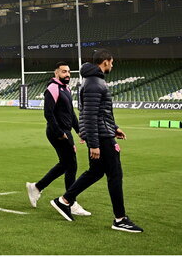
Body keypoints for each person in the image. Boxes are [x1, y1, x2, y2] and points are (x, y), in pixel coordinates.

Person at [50, 51, 143, 233]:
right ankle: (120, 219)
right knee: (115, 174)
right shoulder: (94, 82)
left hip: (103, 132)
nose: (112, 66)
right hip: (101, 137)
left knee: (96, 172)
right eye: (111, 62)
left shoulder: (92, 81)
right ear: (105, 62)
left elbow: (100, 112)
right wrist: (94, 144)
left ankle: (64, 201)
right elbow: (90, 115)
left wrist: (114, 127)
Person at [26, 62, 91, 215]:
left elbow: (71, 114)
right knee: (71, 165)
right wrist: (60, 132)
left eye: (68, 71)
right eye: (63, 72)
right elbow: (48, 113)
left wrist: (80, 131)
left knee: (66, 164)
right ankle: (71, 202)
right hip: (58, 132)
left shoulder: (66, 88)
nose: (67, 74)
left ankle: (37, 187)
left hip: (65, 132)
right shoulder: (53, 88)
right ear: (56, 73)